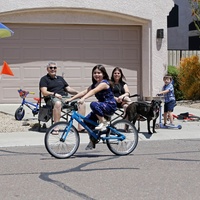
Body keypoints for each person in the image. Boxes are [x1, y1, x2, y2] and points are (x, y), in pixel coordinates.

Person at [67, 64, 117, 150]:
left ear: (103, 74)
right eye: (95, 73)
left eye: (99, 73)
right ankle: (93, 140)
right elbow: (84, 92)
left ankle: (103, 122)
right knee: (87, 121)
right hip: (101, 107)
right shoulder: (94, 84)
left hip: (110, 105)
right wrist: (71, 99)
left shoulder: (104, 83)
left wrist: (83, 99)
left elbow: (93, 91)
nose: (96, 75)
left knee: (93, 104)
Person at [39, 61, 86, 131]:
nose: (53, 69)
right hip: (51, 98)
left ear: (56, 69)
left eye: (54, 68)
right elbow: (44, 92)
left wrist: (78, 93)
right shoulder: (44, 79)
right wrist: (54, 94)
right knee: (58, 103)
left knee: (82, 102)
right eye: (51, 67)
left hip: (64, 98)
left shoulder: (60, 78)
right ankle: (56, 127)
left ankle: (80, 127)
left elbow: (68, 89)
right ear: (47, 69)